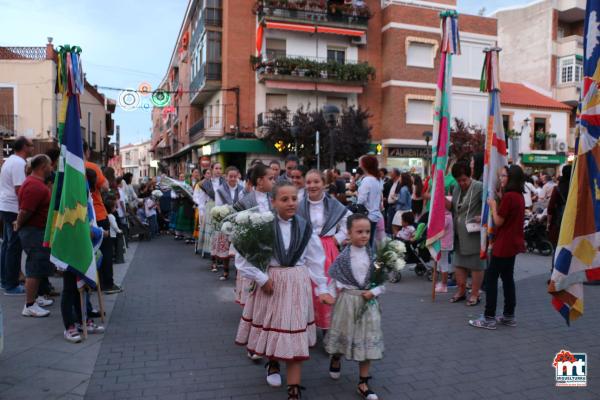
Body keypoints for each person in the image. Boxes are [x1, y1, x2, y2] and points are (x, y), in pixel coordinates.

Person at [234, 181, 334, 400]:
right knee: (274, 326)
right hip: (272, 282)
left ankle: (294, 388)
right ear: (273, 202)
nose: (290, 203)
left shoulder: (305, 227)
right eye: (284, 199)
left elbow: (316, 261)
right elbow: (243, 257)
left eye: (294, 199)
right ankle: (272, 364)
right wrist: (261, 278)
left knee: (294, 333)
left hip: (297, 284)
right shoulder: (263, 224)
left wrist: (322, 288)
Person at [325, 213, 384, 400]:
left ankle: (363, 382)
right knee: (344, 334)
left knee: (366, 341)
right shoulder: (343, 258)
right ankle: (336, 356)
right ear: (349, 234)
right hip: (347, 303)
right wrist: (329, 296)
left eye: (367, 231)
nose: (364, 235)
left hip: (368, 304)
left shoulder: (375, 257)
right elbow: (334, 280)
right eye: (359, 232)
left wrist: (373, 292)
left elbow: (382, 281)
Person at [470, 165, 525, 329]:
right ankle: (508, 314)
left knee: (492, 279)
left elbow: (499, 221)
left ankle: (489, 317)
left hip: (503, 244)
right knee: (508, 278)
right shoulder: (518, 196)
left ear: (511, 178)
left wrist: (493, 205)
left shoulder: (510, 197)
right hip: (513, 243)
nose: (500, 178)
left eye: (503, 176)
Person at [298, 169, 350, 334]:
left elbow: (350, 221)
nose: (312, 185)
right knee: (307, 290)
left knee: (326, 289)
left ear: (324, 184)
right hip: (304, 250)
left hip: (327, 250)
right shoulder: (299, 204)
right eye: (309, 182)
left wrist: (338, 238)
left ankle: (328, 331)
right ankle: (307, 329)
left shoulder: (333, 204)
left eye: (316, 182)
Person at [15, 155, 54, 316]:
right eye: (50, 165)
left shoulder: (36, 184)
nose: (52, 168)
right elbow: (25, 211)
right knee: (34, 267)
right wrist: (19, 224)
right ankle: (29, 305)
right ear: (43, 167)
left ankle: (36, 298)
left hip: (36, 230)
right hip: (33, 232)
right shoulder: (34, 186)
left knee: (38, 266)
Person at [233, 163, 274, 309]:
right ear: (260, 181)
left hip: (271, 255)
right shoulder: (244, 203)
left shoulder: (274, 199)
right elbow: (240, 238)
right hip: (252, 256)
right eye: (271, 178)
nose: (274, 182)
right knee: (254, 303)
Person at [83, 141, 122, 294]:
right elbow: (105, 185)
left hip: (78, 216)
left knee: (87, 251)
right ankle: (107, 283)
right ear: (86, 151)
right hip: (97, 213)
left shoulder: (67, 167)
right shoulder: (91, 166)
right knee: (104, 250)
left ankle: (89, 283)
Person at [447, 160, 484, 306]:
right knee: (459, 263)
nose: (461, 183)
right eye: (458, 180)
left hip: (473, 233)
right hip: (458, 233)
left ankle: (475, 294)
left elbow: (490, 203)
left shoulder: (479, 187)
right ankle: (461, 291)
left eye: (464, 180)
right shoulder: (456, 188)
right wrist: (439, 199)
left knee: (476, 265)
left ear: (470, 176)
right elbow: (453, 208)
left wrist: (484, 216)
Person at [0, 136, 33, 295]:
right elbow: (19, 189)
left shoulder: (10, 161)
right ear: (24, 147)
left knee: (7, 245)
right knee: (13, 247)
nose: (32, 148)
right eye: (31, 145)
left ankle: (4, 280)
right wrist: (25, 210)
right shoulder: (19, 163)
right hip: (13, 208)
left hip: (6, 206)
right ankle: (11, 284)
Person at [213, 166, 243, 281]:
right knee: (226, 247)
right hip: (225, 221)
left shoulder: (241, 189)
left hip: (239, 221)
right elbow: (218, 206)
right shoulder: (220, 190)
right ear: (226, 177)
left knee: (237, 248)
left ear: (237, 176)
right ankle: (225, 270)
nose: (233, 178)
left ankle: (238, 272)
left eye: (235, 176)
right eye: (230, 176)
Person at [197, 163, 225, 268]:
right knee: (212, 234)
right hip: (210, 209)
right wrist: (201, 214)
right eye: (216, 168)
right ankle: (214, 259)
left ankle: (222, 257)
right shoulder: (205, 184)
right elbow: (201, 200)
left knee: (221, 234)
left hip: (223, 209)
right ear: (212, 170)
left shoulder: (225, 182)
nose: (218, 170)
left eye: (220, 168)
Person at [357, 156, 383, 248]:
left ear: (365, 165)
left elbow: (361, 200)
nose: (359, 165)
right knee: (370, 243)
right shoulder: (377, 179)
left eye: (360, 163)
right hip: (375, 214)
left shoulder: (367, 180)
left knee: (365, 245)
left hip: (367, 215)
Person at [547, 165, 571, 248]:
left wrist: (548, 222)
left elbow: (550, 208)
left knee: (557, 249)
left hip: (558, 222)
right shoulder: (575, 189)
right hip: (571, 224)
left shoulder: (557, 189)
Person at [435, 202, 454, 293]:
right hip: (444, 243)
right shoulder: (448, 216)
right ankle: (442, 283)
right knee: (442, 264)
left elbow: (440, 227)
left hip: (444, 244)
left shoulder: (446, 217)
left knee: (444, 264)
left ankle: (444, 285)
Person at [391, 173, 413, 237]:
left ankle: (398, 244)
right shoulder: (408, 188)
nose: (399, 179)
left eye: (400, 177)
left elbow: (402, 201)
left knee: (395, 228)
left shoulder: (403, 188)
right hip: (408, 210)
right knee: (405, 230)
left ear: (404, 179)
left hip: (401, 211)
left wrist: (395, 198)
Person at [383, 168, 398, 234]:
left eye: (391, 172)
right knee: (389, 224)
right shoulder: (392, 182)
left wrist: (395, 198)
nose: (390, 174)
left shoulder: (398, 183)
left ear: (395, 174)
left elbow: (398, 196)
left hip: (394, 206)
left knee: (391, 225)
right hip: (390, 206)